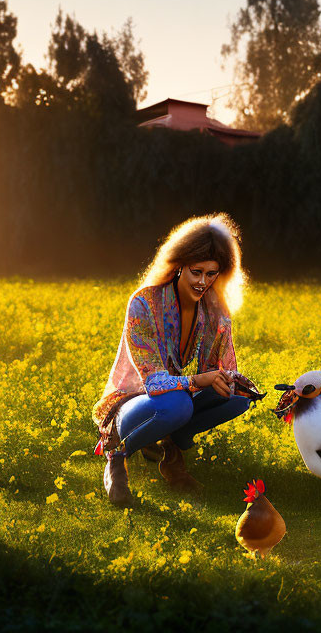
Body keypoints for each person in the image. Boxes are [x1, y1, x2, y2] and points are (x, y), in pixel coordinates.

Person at [92, 214, 262, 506]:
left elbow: (219, 369)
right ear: (179, 265)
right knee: (177, 403)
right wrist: (198, 381)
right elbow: (154, 382)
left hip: (175, 398)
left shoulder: (214, 311)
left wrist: (234, 381)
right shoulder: (143, 303)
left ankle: (171, 447)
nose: (203, 282)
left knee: (238, 398)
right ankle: (117, 455)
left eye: (212, 274)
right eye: (197, 271)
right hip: (134, 399)